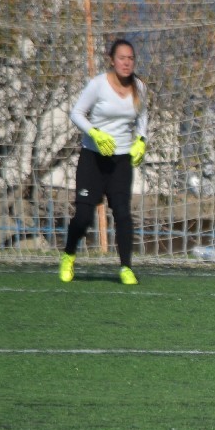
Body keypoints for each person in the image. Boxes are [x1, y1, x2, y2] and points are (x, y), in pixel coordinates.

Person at [61, 38, 148, 285]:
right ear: (112, 60)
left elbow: (142, 116)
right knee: (84, 217)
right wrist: (95, 133)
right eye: (122, 58)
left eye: (130, 58)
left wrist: (141, 140)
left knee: (123, 213)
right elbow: (76, 113)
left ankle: (126, 268)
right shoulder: (98, 85)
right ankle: (68, 255)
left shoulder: (139, 87)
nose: (126, 62)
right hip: (93, 158)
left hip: (121, 161)